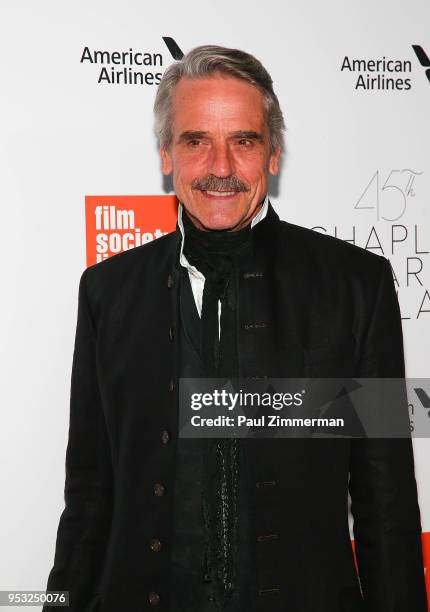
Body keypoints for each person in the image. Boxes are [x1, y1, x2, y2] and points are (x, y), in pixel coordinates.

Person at [44, 45, 427, 612]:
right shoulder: (107, 291)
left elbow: (386, 500)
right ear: (167, 155)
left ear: (272, 155)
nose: (220, 167)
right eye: (196, 140)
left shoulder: (356, 286)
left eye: (243, 141)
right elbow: (89, 497)